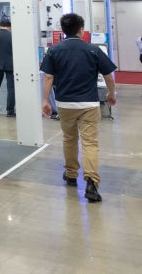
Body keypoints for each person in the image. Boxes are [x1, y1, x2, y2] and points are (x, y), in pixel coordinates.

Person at [40, 13, 116, 203]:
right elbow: (108, 75)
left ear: (63, 30)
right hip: (89, 104)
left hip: (64, 104)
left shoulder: (54, 50)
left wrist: (46, 100)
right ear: (81, 29)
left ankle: (71, 174)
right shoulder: (93, 50)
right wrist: (111, 93)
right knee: (90, 143)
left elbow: (48, 77)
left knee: (69, 138)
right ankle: (91, 183)